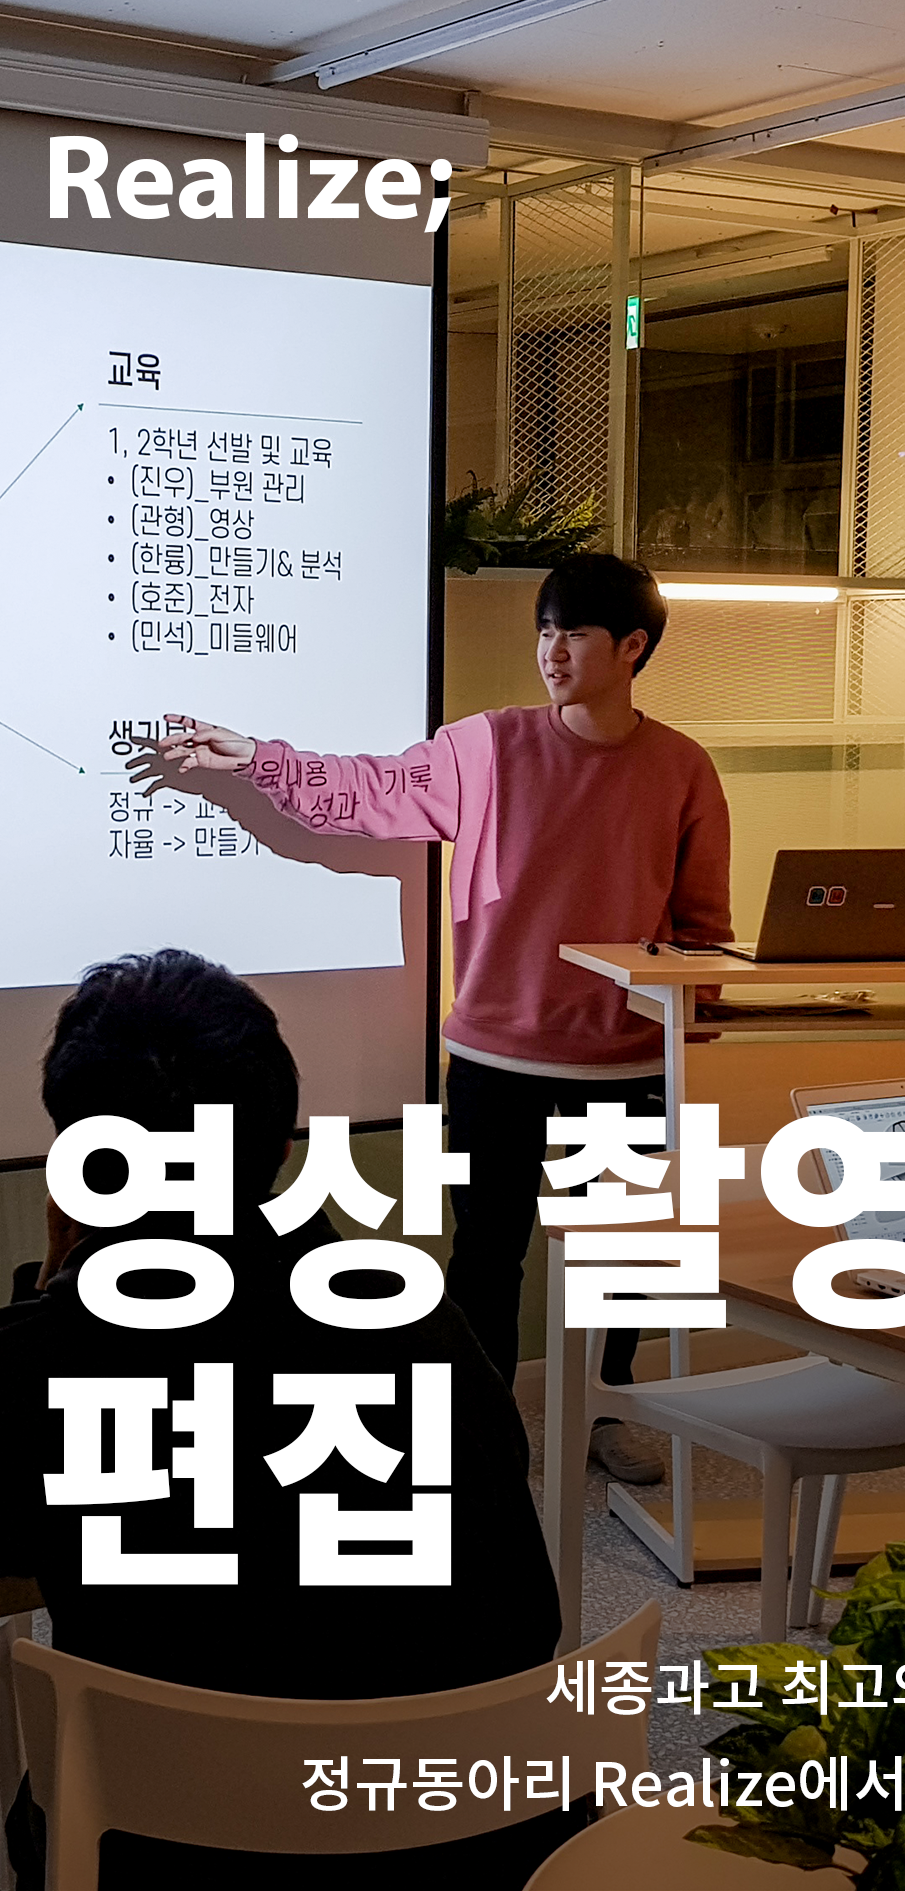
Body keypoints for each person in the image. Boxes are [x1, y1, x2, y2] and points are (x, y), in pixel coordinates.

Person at [136, 553, 733, 1485]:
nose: (552, 651)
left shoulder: (682, 767)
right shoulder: (487, 746)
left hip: (627, 1059)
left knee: (626, 1256)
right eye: (544, 630)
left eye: (573, 632)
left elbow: (703, 929)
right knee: (487, 1256)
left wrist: (703, 1034)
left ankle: (610, 1406)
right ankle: (485, 1429)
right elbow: (368, 788)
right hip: (496, 1055)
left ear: (631, 647)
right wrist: (256, 758)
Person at [0, 950, 569, 1889]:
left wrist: (59, 1285)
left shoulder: (44, 1357)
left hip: (170, 1849)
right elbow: (522, 1614)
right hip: (474, 1839)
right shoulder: (421, 1312)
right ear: (281, 1139)